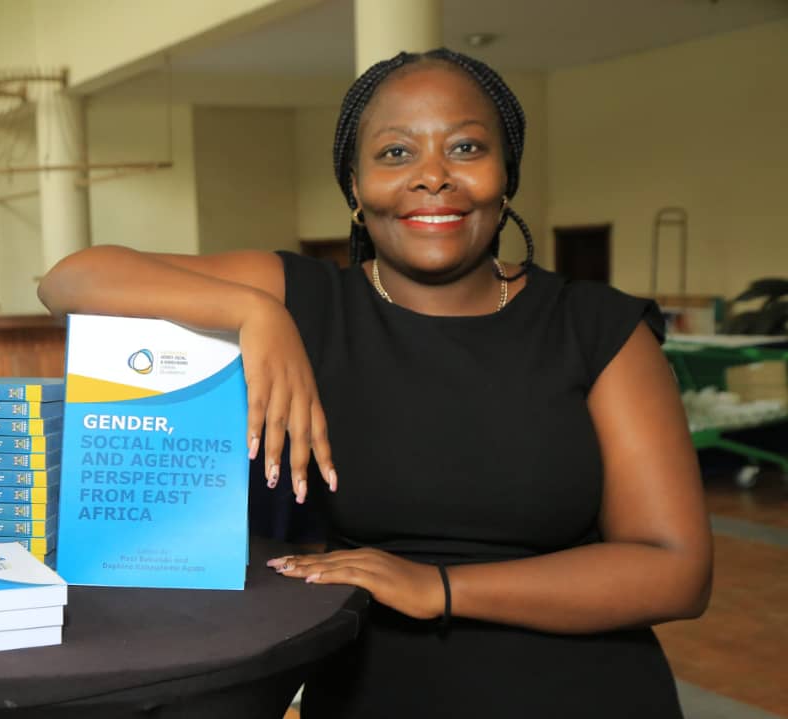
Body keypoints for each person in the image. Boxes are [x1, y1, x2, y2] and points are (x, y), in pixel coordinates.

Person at [38, 48, 712, 718]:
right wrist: (251, 311)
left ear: (506, 176)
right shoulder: (310, 300)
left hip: (583, 689)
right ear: (355, 188)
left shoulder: (597, 327)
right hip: (379, 685)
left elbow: (676, 570)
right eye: (396, 153)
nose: (432, 177)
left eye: (466, 147)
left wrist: (440, 586)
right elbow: (71, 278)